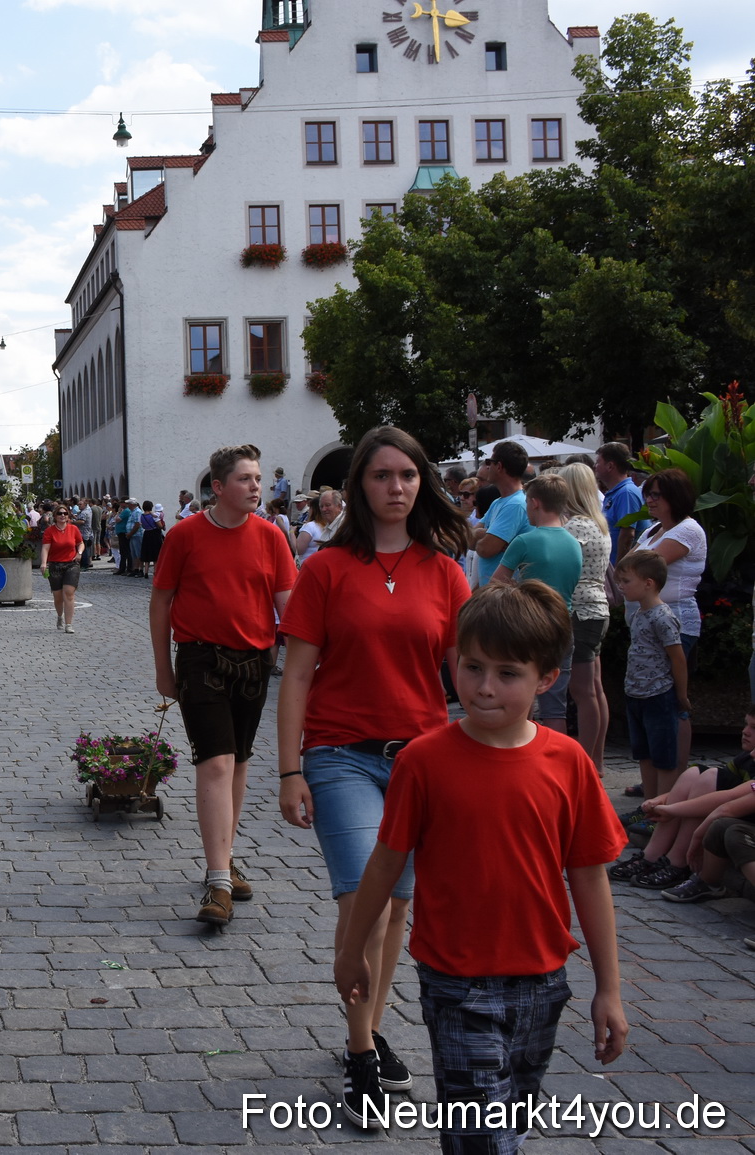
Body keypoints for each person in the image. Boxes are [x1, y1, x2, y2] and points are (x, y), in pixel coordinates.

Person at [335, 581, 626, 1144]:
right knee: (479, 1136)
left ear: (545, 678)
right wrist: (350, 954)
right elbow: (383, 866)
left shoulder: (568, 763)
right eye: (472, 668)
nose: (484, 688)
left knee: (511, 1125)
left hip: (543, 980)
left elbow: (589, 875)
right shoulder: (424, 760)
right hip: (455, 982)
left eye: (507, 673)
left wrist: (608, 987)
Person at [276, 426, 472, 1121]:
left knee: (398, 909)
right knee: (365, 899)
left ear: (423, 483)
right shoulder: (327, 568)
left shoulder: (446, 572)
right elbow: (297, 672)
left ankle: (369, 1027)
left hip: (420, 759)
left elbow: (464, 674)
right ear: (359, 484)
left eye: (409, 475)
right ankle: (362, 1057)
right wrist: (289, 769)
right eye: (383, 475)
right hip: (338, 754)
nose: (397, 486)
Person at [151, 444, 297, 926]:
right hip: (199, 659)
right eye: (245, 479)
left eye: (257, 478)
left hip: (254, 662)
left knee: (238, 763)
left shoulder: (272, 537)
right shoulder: (186, 535)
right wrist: (162, 668)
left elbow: (288, 605)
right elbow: (161, 602)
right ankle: (218, 883)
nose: (257, 487)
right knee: (214, 762)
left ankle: (225, 858)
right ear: (218, 487)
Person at [612, 707, 755, 896]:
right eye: (746, 724)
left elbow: (728, 802)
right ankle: (652, 856)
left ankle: (678, 861)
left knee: (715, 802)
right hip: (734, 812)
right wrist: (662, 799)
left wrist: (672, 810)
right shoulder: (746, 758)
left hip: (741, 819)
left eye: (754, 727)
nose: (745, 731)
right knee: (697, 774)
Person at [490, 473, 582, 732]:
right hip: (564, 626)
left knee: (521, 695)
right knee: (555, 704)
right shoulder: (574, 543)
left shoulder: (525, 541)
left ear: (535, 503)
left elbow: (496, 583)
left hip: (530, 625)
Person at [633, 468, 707, 785]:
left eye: (655, 495)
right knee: (651, 707)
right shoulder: (653, 530)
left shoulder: (688, 530)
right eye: (647, 493)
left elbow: (641, 566)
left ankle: (673, 781)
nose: (648, 500)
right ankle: (657, 780)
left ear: (674, 497)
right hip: (645, 627)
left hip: (675, 622)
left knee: (672, 703)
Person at [614, 550, 690, 808]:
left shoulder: (663, 617)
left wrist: (681, 694)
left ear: (649, 583)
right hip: (635, 694)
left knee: (664, 756)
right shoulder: (638, 614)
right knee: (644, 753)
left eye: (626, 581)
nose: (621, 587)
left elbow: (677, 658)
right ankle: (647, 806)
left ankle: (662, 809)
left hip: (658, 695)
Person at [557, 463, 613, 772]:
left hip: (580, 611)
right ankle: (598, 759)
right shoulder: (598, 522)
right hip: (596, 608)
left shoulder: (576, 526)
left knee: (582, 690)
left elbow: (561, 561)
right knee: (594, 688)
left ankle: (589, 763)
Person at [471, 440, 531, 584]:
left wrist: (481, 536)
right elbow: (467, 540)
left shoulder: (515, 504)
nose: (487, 467)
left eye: (489, 462)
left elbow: (485, 549)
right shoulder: (498, 502)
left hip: (506, 597)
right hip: (495, 593)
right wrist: (484, 535)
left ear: (499, 466)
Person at [596, 442, 650, 564]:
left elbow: (627, 535)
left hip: (622, 568)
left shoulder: (626, 493)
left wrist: (619, 569)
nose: (595, 466)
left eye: (598, 462)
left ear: (610, 466)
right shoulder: (617, 492)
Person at [39, 504, 84, 633]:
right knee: (58, 596)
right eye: (60, 513)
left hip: (71, 564)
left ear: (68, 515)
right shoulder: (50, 531)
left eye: (65, 513)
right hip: (55, 565)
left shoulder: (73, 529)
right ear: (55, 516)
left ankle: (69, 624)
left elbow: (80, 543)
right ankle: (60, 616)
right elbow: (45, 548)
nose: (63, 516)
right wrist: (43, 563)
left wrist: (79, 553)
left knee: (69, 593)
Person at [294, 488, 343, 565]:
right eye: (321, 506)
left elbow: (298, 550)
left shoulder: (344, 526)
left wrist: (290, 532)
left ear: (339, 507)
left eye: (328, 505)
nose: (323, 509)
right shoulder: (328, 525)